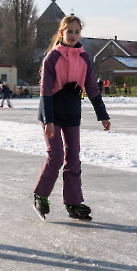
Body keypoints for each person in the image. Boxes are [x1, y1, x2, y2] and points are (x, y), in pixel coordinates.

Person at [34, 15, 111, 220]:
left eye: (77, 32)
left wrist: (102, 115)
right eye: (70, 31)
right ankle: (40, 195)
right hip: (51, 113)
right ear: (62, 33)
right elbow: (45, 92)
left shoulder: (85, 57)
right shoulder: (52, 57)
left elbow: (93, 89)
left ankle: (74, 202)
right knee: (56, 156)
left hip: (71, 113)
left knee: (74, 158)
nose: (73, 35)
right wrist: (48, 121)